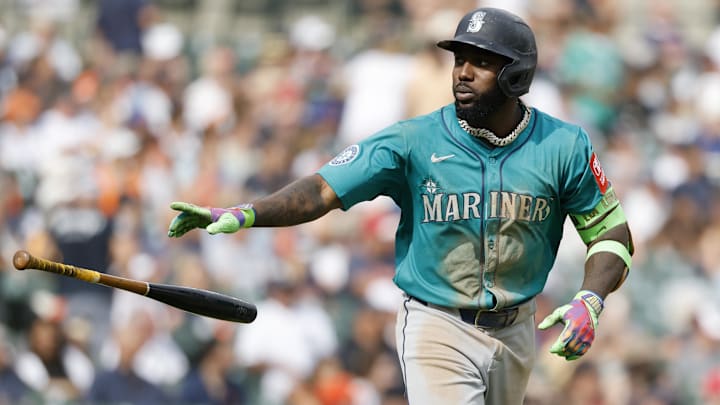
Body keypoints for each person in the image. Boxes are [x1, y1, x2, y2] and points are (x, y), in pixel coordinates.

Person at [167, 7, 634, 405]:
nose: (462, 72)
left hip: (516, 330)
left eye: (481, 62)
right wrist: (247, 212)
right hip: (437, 322)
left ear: (516, 75)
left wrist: (590, 298)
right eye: (459, 60)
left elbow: (612, 233)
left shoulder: (563, 144)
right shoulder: (413, 140)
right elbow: (323, 190)